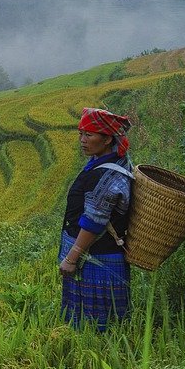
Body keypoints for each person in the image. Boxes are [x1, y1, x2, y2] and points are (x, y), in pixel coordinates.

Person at [58, 107, 134, 330]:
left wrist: (72, 258)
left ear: (107, 139)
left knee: (97, 330)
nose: (82, 140)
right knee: (91, 329)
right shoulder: (106, 162)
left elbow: (94, 220)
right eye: (81, 134)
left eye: (88, 135)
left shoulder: (107, 174)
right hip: (94, 257)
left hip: (97, 260)